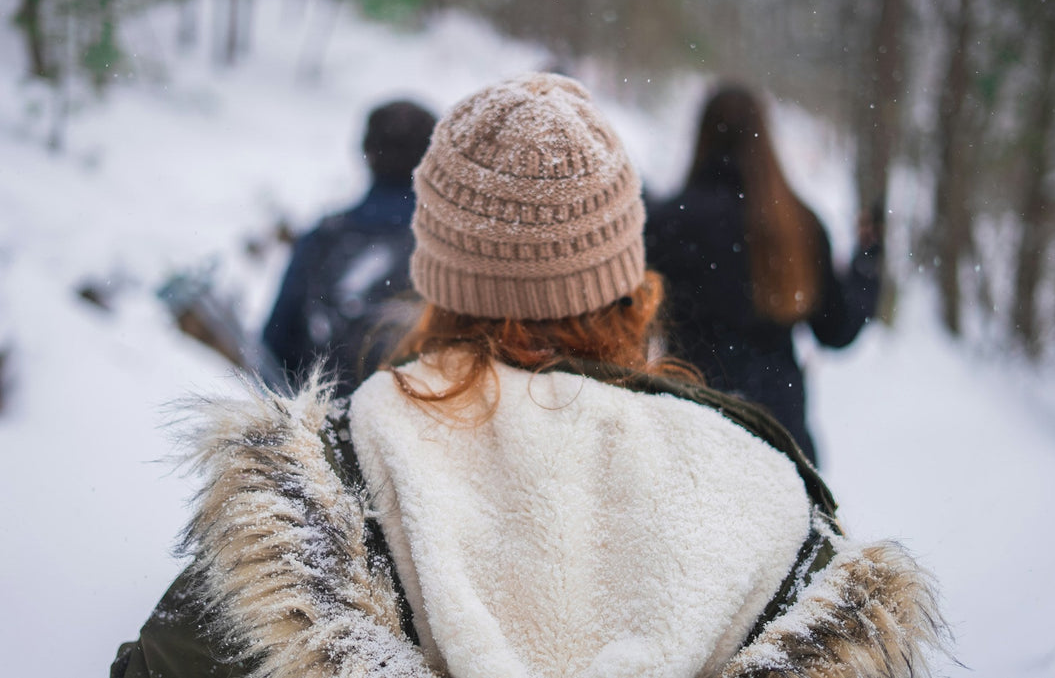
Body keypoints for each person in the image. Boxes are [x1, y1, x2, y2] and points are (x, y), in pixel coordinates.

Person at [112, 74, 946, 678]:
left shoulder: (330, 486)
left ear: (434, 282)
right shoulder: (770, 505)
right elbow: (838, 324)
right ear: (636, 288)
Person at [646, 85, 883, 467]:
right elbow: (838, 330)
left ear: (703, 136)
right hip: (778, 441)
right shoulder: (798, 227)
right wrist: (866, 265)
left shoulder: (664, 223)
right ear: (765, 141)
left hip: (685, 437)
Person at [262, 99, 437, 395]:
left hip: (324, 428)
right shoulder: (451, 252)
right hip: (421, 430)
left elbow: (274, 349)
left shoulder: (324, 238)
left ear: (366, 153)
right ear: (434, 160)